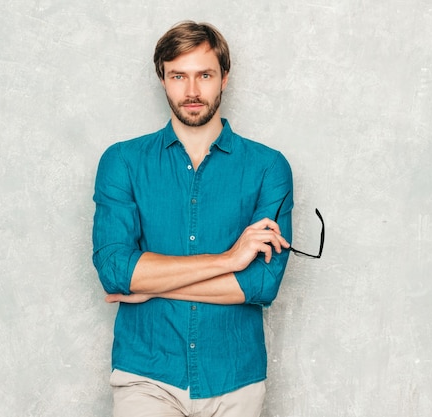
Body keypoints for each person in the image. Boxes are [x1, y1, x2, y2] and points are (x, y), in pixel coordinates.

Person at [92, 20, 293, 417]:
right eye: (178, 76)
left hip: (236, 378)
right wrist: (228, 261)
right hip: (145, 374)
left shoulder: (269, 167)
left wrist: (151, 285)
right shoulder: (122, 162)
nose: (192, 91)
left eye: (205, 74)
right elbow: (115, 270)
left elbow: (262, 283)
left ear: (225, 78)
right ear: (162, 79)